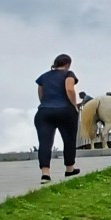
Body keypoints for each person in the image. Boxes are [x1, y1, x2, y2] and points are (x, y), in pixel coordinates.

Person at [34, 54, 81, 183]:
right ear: (67, 64)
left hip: (44, 112)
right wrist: (74, 105)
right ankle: (69, 169)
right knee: (69, 139)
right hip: (65, 111)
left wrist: (46, 104)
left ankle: (45, 174)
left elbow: (40, 93)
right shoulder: (68, 74)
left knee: (44, 143)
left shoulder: (44, 76)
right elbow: (69, 89)